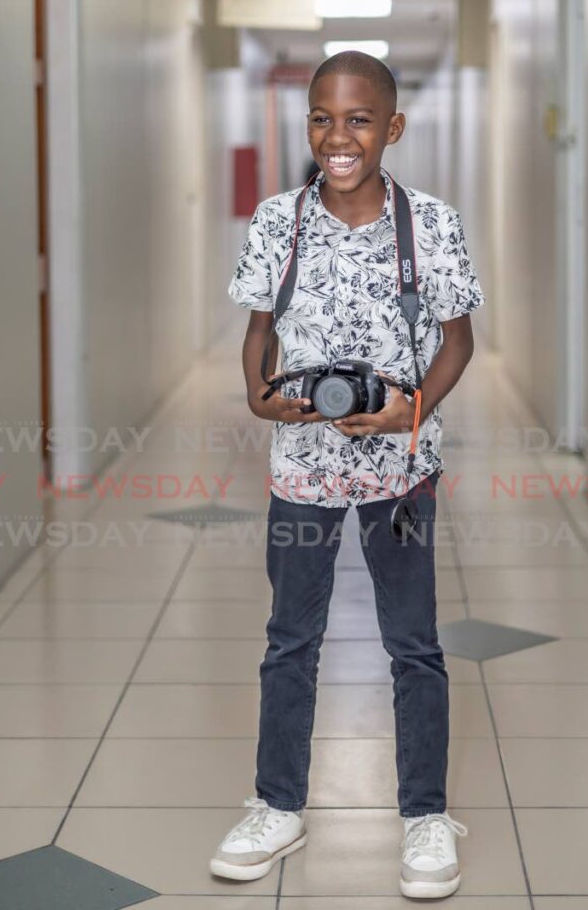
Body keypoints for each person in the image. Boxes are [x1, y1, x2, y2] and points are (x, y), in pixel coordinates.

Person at [210, 50, 485, 900]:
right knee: (289, 640)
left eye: (359, 119)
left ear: (391, 129)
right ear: (308, 128)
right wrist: (258, 394)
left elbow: (456, 342)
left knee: (413, 644)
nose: (339, 135)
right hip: (301, 470)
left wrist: (410, 411)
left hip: (401, 472)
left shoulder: (430, 225)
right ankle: (277, 804)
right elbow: (259, 330)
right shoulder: (277, 221)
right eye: (323, 118)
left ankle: (425, 817)